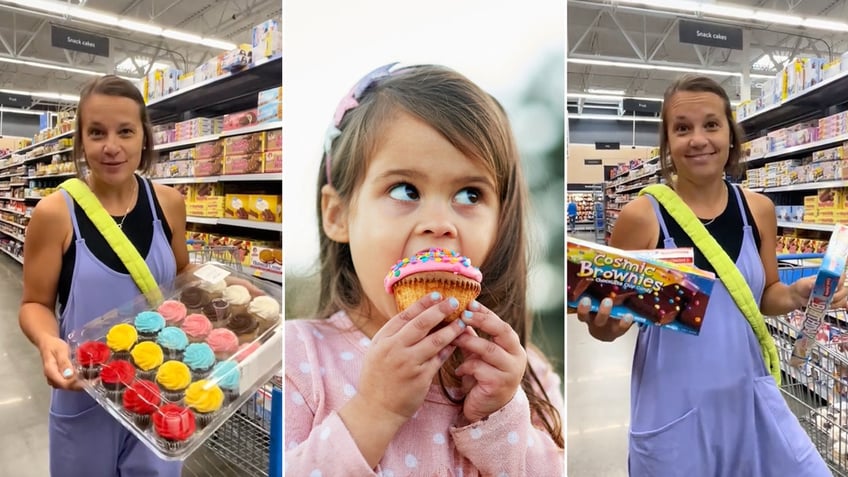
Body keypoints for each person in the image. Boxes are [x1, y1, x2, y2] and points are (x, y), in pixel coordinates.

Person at [285, 63, 564, 476]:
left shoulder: (523, 372)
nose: (440, 222)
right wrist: (374, 411)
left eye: (470, 194)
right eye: (405, 190)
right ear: (338, 214)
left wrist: (500, 416)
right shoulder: (299, 358)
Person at [577, 74, 847, 476]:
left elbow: (764, 295)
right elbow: (612, 317)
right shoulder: (642, 216)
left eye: (711, 124)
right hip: (673, 410)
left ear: (731, 137)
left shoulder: (758, 210)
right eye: (682, 128)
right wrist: (605, 325)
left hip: (749, 400)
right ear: (668, 144)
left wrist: (795, 294)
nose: (698, 139)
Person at [19, 75, 186, 476]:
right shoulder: (55, 214)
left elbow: (182, 276)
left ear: (143, 137)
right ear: (81, 140)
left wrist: (225, 286)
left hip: (159, 394)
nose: (111, 146)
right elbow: (34, 304)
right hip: (85, 397)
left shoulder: (169, 204)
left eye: (125, 131)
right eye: (96, 133)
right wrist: (47, 341)